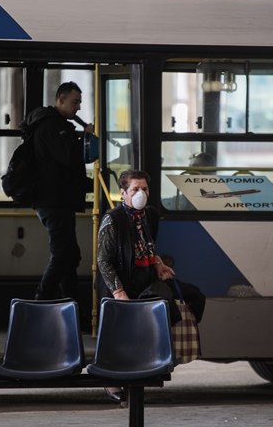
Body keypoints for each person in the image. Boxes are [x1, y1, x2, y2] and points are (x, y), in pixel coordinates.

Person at [96, 169, 175, 404]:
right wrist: (118, 292)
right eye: (135, 189)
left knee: (138, 335)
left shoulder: (149, 216)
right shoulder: (113, 219)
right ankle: (111, 383)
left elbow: (148, 247)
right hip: (118, 285)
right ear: (123, 193)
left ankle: (135, 382)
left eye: (144, 189)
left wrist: (158, 264)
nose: (141, 193)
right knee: (116, 334)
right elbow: (103, 261)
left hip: (142, 281)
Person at [25, 81, 94, 301]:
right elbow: (70, 159)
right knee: (63, 254)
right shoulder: (53, 126)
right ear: (61, 100)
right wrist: (86, 138)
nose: (78, 107)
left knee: (70, 255)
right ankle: (40, 301)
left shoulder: (58, 125)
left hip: (59, 199)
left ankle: (70, 304)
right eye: (75, 102)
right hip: (53, 200)